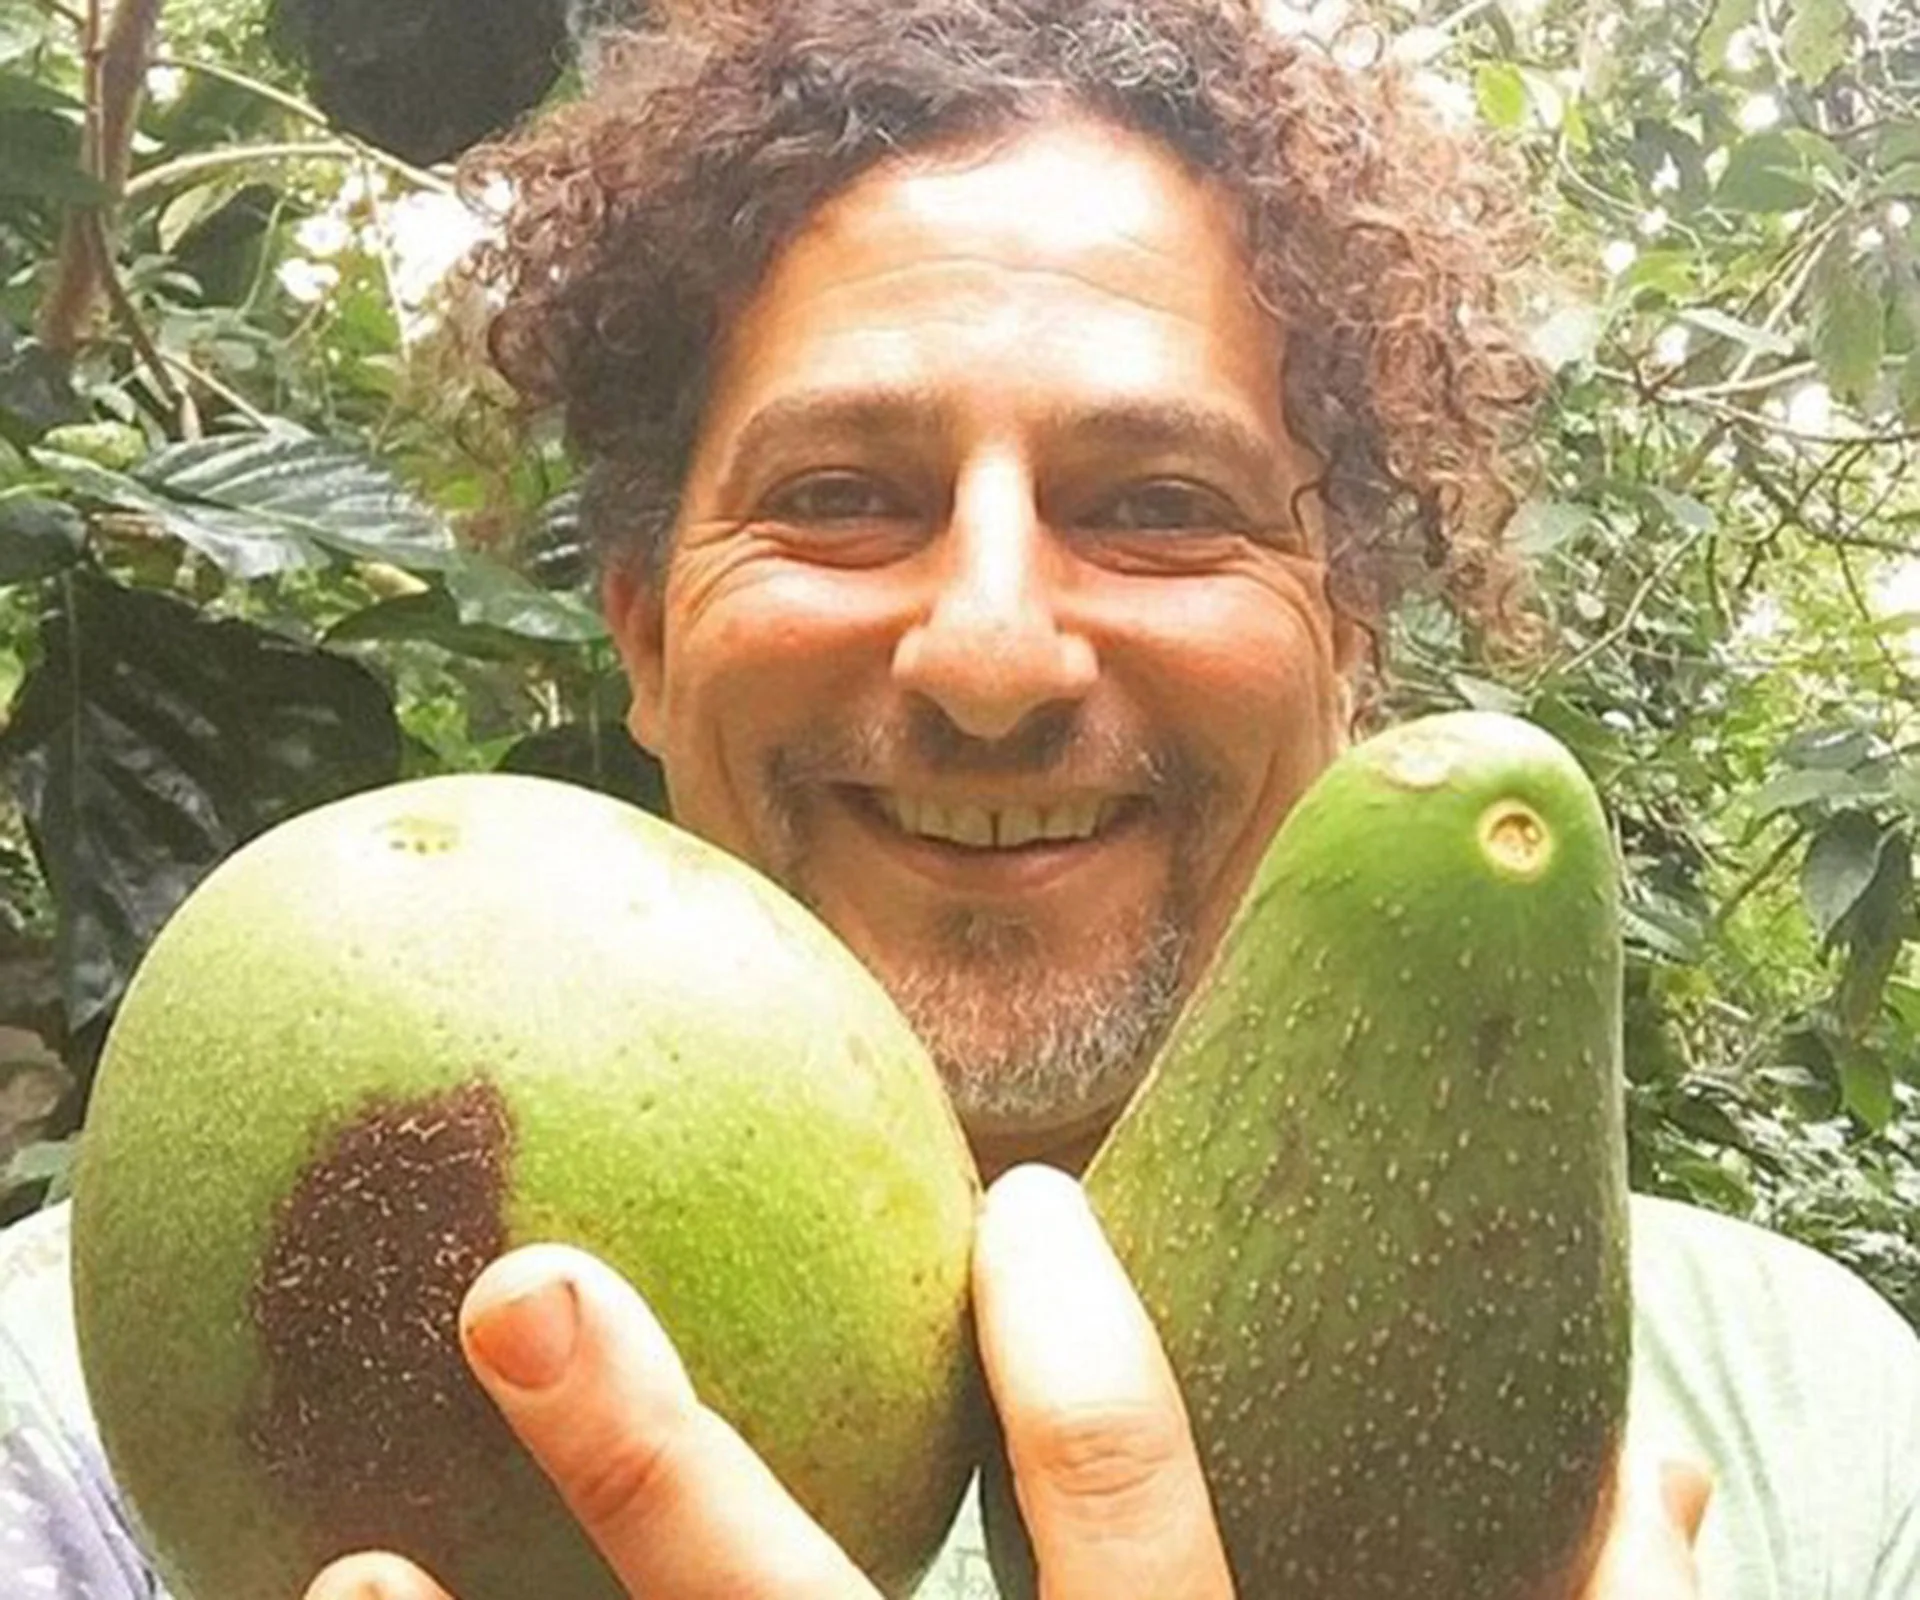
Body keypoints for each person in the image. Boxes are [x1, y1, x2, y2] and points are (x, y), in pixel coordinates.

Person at [1, 2, 1915, 1597]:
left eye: (1158, 506)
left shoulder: (1807, 1425)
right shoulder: (118, 1381)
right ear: (649, 639)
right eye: (841, 496)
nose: (990, 654)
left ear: (1353, 656)